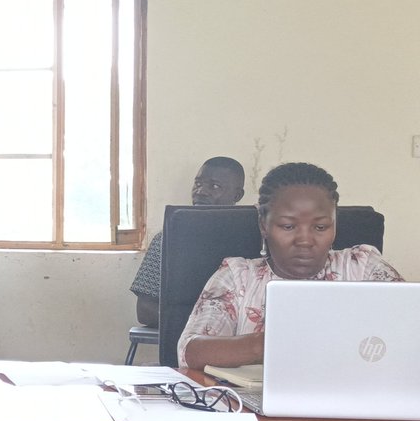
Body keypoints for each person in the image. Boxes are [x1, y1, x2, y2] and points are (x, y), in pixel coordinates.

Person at [178, 161, 402, 369]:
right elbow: (190, 352)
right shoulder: (238, 277)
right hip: (252, 407)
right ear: (263, 224)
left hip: (356, 402)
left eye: (321, 227)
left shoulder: (361, 266)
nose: (304, 240)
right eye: (287, 226)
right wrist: (266, 344)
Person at [131, 156, 245, 327]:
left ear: (237, 195)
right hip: (183, 340)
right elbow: (145, 311)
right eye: (198, 183)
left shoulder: (254, 240)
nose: (200, 191)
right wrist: (204, 325)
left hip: (238, 340)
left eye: (214, 186)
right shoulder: (166, 239)